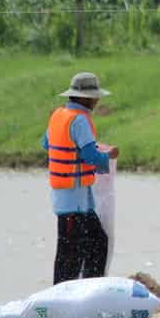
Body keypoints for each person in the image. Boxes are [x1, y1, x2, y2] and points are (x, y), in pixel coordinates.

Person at [43, 72, 119, 284]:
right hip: (74, 200)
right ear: (85, 98)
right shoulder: (80, 121)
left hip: (73, 198)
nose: (97, 100)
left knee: (94, 241)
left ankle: (87, 287)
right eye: (95, 97)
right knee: (71, 252)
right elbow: (89, 156)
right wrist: (109, 156)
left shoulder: (58, 116)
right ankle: (64, 295)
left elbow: (46, 144)